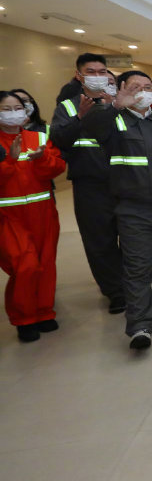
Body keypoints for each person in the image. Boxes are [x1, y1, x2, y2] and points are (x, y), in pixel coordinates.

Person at [83, 71, 152, 350]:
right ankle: (140, 324)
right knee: (137, 266)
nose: (142, 92)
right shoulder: (114, 120)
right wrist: (114, 106)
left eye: (147, 87)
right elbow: (92, 129)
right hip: (133, 208)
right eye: (136, 87)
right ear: (122, 90)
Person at [49, 53, 126, 313]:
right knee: (99, 241)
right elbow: (59, 140)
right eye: (91, 71)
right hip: (90, 184)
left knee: (131, 236)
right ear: (79, 76)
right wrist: (79, 119)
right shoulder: (68, 107)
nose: (98, 76)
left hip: (124, 181)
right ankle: (115, 291)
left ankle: (132, 284)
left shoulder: (120, 104)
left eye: (102, 71)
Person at [0, 91, 66, 342]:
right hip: (8, 215)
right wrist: (10, 161)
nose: (14, 113)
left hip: (42, 211)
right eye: (6, 109)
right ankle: (24, 318)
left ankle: (44, 311)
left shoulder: (38, 137)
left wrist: (42, 158)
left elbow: (57, 167)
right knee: (24, 265)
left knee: (45, 264)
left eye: (18, 108)